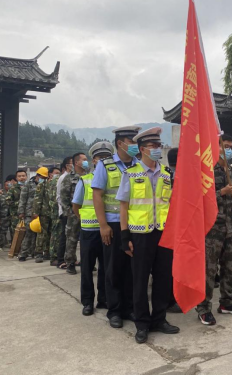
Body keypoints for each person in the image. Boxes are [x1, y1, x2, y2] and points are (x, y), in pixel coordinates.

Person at [117, 127, 179, 344]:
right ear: (142, 149)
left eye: (159, 145)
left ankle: (159, 319)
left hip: (164, 233)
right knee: (140, 280)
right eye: (153, 146)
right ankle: (142, 323)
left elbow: (171, 204)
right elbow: (123, 207)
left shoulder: (167, 174)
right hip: (140, 234)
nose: (157, 149)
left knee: (163, 278)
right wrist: (125, 236)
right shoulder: (130, 173)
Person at [196, 134, 232, 326]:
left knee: (230, 266)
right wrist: (221, 192)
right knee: (209, 270)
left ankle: (227, 302)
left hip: (231, 227)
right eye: (225, 146)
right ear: (215, 147)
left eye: (231, 147)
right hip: (213, 228)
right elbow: (201, 199)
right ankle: (203, 308)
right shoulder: (207, 170)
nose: (228, 150)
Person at [91, 126, 139, 329]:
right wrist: (103, 225)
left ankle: (129, 307)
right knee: (113, 267)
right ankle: (115, 310)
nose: (136, 145)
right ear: (120, 143)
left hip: (134, 224)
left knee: (132, 268)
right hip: (112, 224)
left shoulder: (139, 165)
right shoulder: (106, 165)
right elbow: (97, 195)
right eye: (132, 141)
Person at [73, 142, 114, 316]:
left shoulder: (115, 179)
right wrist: (84, 219)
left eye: (106, 157)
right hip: (89, 231)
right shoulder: (85, 180)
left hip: (109, 230)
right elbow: (76, 205)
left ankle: (104, 299)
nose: (103, 160)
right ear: (93, 160)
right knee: (87, 268)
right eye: (99, 157)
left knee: (106, 268)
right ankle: (88, 302)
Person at [61, 153, 88, 275]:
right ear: (76, 162)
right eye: (84, 159)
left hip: (88, 213)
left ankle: (87, 262)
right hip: (73, 213)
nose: (86, 161)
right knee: (71, 239)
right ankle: (70, 263)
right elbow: (64, 197)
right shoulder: (68, 178)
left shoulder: (90, 175)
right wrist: (69, 213)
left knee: (87, 239)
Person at [165, 147, 182, 314]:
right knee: (170, 264)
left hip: (169, 224)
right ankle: (170, 298)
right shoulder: (172, 176)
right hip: (171, 224)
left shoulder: (166, 174)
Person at [18, 168, 46, 261]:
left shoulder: (45, 185)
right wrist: (21, 212)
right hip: (29, 213)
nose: (43, 179)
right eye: (42, 177)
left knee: (39, 234)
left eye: (45, 178)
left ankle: (36, 252)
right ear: (37, 175)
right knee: (29, 233)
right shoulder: (28, 185)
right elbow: (23, 198)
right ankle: (23, 253)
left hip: (42, 213)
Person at [55, 157, 73, 269]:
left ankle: (71, 259)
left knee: (72, 237)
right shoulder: (63, 178)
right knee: (65, 236)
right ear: (67, 165)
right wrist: (65, 211)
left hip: (74, 211)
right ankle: (60, 260)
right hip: (66, 212)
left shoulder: (74, 177)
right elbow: (59, 196)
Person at [32, 167, 51, 262]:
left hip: (50, 213)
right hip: (44, 213)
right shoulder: (41, 185)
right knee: (42, 233)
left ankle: (47, 252)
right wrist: (36, 212)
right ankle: (39, 253)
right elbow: (37, 199)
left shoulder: (50, 184)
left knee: (49, 233)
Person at [0, 175, 16, 252]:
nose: (8, 186)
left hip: (13, 216)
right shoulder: (0, 195)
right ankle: (0, 246)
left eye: (10, 185)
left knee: (14, 232)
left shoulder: (15, 194)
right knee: (2, 232)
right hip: (3, 217)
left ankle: (14, 246)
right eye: (7, 185)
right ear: (4, 186)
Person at [6, 169, 28, 245]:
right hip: (16, 215)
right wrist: (20, 203)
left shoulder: (31, 187)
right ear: (16, 178)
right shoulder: (13, 188)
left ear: (26, 176)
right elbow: (8, 201)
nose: (22, 177)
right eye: (19, 176)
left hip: (28, 215)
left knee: (28, 234)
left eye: (23, 176)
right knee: (16, 235)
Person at [47, 167, 62, 266]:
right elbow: (54, 199)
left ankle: (61, 256)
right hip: (57, 212)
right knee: (56, 234)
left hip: (62, 211)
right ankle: (53, 257)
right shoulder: (55, 181)